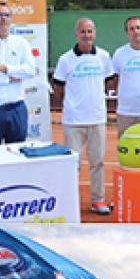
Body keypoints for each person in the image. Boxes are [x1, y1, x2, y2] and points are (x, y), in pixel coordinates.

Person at [52, 17, 115, 215]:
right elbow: (58, 88)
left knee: (97, 162)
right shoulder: (65, 59)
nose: (86, 35)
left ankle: (98, 200)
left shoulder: (104, 57)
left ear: (94, 34)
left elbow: (109, 82)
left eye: (90, 31)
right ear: (76, 34)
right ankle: (69, 202)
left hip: (97, 118)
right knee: (72, 163)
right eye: (82, 31)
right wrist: (74, 104)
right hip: (73, 121)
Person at [0, 2, 36, 145]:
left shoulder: (21, 44)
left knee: (16, 155)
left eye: (7, 15)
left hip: (16, 109)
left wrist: (4, 68)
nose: (3, 19)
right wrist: (8, 80)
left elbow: (30, 70)